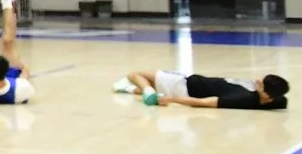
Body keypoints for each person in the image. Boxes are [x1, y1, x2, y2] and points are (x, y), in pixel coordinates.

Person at [120, 66, 289, 109]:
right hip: (192, 84)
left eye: (261, 85)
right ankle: (127, 89)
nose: (258, 81)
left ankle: (147, 91)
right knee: (154, 85)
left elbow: (205, 102)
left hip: (188, 86)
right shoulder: (278, 100)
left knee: (135, 74)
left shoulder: (243, 99)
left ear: (266, 95)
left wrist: (171, 100)